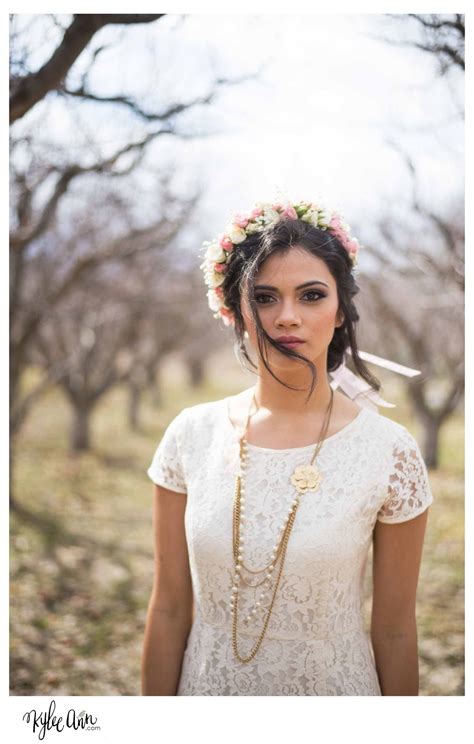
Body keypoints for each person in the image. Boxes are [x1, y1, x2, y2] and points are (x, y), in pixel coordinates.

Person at [141, 198, 433, 696]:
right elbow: (169, 609)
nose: (288, 318)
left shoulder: (390, 453)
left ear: (341, 310)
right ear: (236, 312)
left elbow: (395, 630)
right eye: (266, 297)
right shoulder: (191, 435)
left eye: (312, 295)